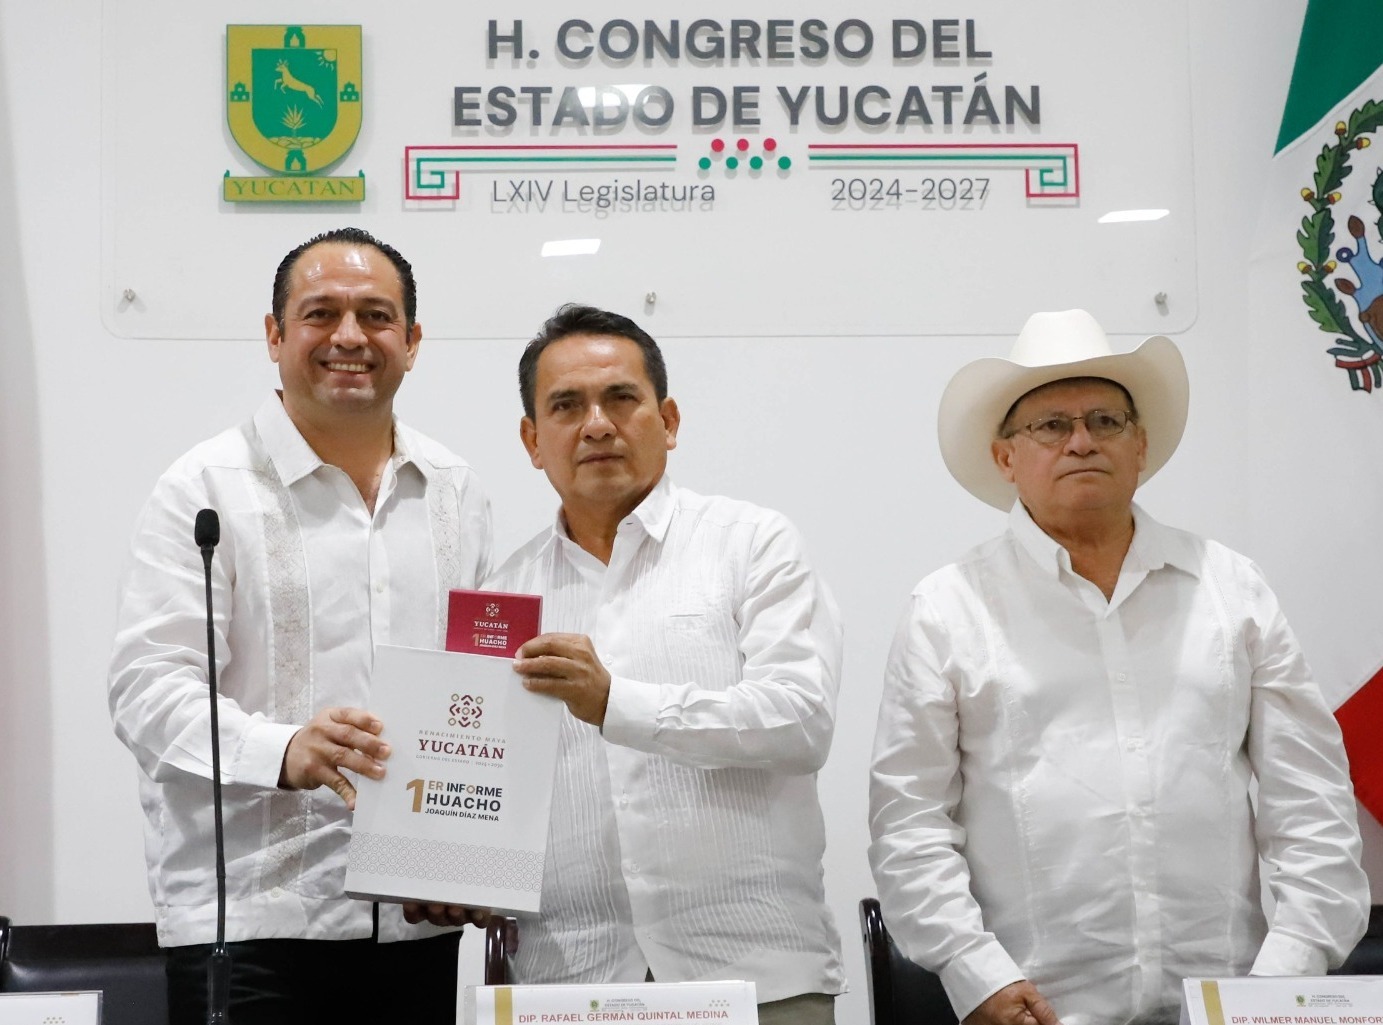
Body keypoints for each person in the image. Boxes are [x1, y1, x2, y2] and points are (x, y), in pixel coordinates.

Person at [869, 309, 1370, 1025]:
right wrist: (974, 972)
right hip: (1036, 1010)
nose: (1081, 440)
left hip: (1227, 1003)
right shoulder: (947, 610)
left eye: (1105, 420)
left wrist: (1280, 981)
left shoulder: (1232, 590)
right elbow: (909, 822)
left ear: (1140, 445)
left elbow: (1311, 802)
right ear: (1005, 458)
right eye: (1051, 425)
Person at [108, 227, 491, 1025]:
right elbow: (147, 691)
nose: (350, 335)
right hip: (250, 925)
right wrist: (282, 749)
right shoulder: (204, 488)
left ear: (412, 341)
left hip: (416, 920)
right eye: (320, 313)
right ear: (275, 335)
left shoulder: (456, 492)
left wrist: (463, 857)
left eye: (376, 315)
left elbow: (476, 696)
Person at [480, 304, 844, 1023]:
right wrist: (444, 866)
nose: (596, 425)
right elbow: (482, 774)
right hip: (566, 983)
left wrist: (616, 703)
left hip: (753, 975)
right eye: (566, 405)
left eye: (621, 398)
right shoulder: (501, 596)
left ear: (668, 420)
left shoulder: (751, 543)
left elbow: (801, 719)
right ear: (532, 440)